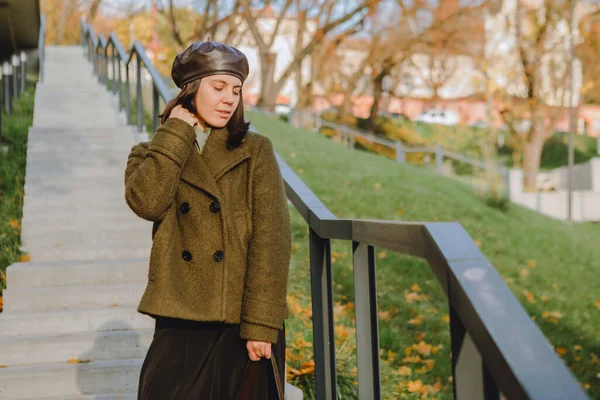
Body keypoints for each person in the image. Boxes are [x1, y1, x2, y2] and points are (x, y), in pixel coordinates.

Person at [124, 41, 292, 400]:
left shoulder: (254, 151)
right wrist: (176, 133)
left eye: (236, 90)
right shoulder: (151, 153)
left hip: (238, 321)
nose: (229, 99)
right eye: (218, 88)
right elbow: (147, 203)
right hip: (177, 313)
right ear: (190, 89)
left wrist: (262, 324)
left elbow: (272, 241)